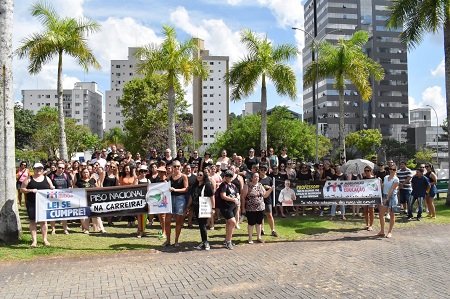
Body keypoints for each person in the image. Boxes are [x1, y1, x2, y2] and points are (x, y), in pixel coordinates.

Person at [20, 163, 55, 247]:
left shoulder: (47, 178)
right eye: (36, 168)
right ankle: (34, 241)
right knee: (32, 221)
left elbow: (52, 186)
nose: (38, 170)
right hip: (32, 203)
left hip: (44, 203)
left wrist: (52, 188)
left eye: (40, 168)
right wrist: (31, 190)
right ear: (34, 169)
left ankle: (45, 239)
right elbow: (22, 189)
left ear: (42, 169)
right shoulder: (28, 179)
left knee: (43, 222)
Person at [241, 172, 274, 244]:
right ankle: (250, 238)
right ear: (252, 178)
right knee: (251, 223)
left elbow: (265, 195)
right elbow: (243, 197)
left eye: (258, 177)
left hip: (260, 208)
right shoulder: (247, 186)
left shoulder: (260, 185)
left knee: (259, 223)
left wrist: (271, 189)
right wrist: (243, 208)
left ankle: (259, 237)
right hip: (251, 208)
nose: (257, 178)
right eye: (255, 177)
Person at [187, 170, 215, 250]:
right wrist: (188, 206)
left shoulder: (207, 185)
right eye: (198, 175)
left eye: (200, 175)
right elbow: (191, 197)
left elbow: (212, 197)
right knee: (200, 225)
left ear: (204, 176)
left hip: (204, 208)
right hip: (196, 208)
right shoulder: (195, 185)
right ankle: (203, 241)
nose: (198, 176)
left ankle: (205, 242)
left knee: (203, 224)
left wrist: (213, 208)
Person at [164, 161, 188, 247]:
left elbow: (186, 189)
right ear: (172, 167)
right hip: (170, 199)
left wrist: (175, 190)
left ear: (181, 167)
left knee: (178, 221)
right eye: (175, 166)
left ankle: (176, 240)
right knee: (167, 221)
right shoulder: (169, 176)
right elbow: (164, 185)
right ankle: (168, 240)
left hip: (180, 199)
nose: (176, 168)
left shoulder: (183, 176)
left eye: (178, 166)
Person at [75, 167, 105, 234]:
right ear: (81, 173)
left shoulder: (92, 180)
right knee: (85, 216)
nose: (85, 173)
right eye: (84, 172)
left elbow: (97, 188)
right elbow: (75, 190)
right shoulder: (79, 182)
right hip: (83, 200)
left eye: (87, 172)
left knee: (96, 214)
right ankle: (86, 229)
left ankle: (100, 228)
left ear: (89, 173)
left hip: (92, 200)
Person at [49, 163, 72, 235]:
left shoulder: (66, 175)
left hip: (64, 197)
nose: (61, 169)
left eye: (63, 168)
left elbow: (69, 186)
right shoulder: (51, 176)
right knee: (53, 213)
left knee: (63, 214)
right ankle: (53, 229)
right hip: (54, 197)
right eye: (59, 168)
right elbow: (48, 186)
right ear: (56, 167)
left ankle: (65, 229)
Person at [219, 170, 240, 250]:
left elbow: (237, 194)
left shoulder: (233, 185)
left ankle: (228, 239)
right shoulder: (223, 185)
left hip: (233, 207)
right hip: (225, 207)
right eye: (227, 176)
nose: (229, 177)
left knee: (229, 223)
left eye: (230, 176)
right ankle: (228, 241)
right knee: (233, 222)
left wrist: (237, 198)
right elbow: (223, 196)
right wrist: (233, 199)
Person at [377, 166, 399, 238]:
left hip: (392, 197)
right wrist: (380, 182)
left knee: (392, 215)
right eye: (391, 169)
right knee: (381, 214)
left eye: (394, 169)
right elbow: (383, 187)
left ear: (396, 170)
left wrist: (387, 198)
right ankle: (382, 231)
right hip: (385, 196)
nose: (392, 171)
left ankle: (390, 232)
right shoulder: (386, 177)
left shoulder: (396, 179)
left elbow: (392, 189)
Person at [259, 164, 278, 237]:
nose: (263, 171)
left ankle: (273, 230)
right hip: (259, 199)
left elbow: (273, 188)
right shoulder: (258, 178)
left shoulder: (269, 179)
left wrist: (269, 187)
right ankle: (261, 229)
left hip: (268, 199)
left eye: (264, 170)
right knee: (261, 215)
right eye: (261, 170)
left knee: (269, 214)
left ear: (267, 171)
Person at [134, 165, 150, 238]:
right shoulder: (137, 180)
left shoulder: (148, 180)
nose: (143, 173)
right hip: (139, 200)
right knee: (139, 216)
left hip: (146, 200)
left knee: (145, 216)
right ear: (139, 172)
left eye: (145, 171)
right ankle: (140, 231)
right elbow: (134, 190)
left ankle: (142, 230)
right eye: (141, 171)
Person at [361, 166, 376, 230]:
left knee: (371, 211)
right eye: (365, 171)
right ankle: (367, 224)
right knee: (365, 211)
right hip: (365, 196)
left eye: (368, 171)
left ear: (370, 171)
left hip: (372, 196)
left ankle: (371, 225)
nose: (366, 172)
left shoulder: (374, 178)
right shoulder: (363, 178)